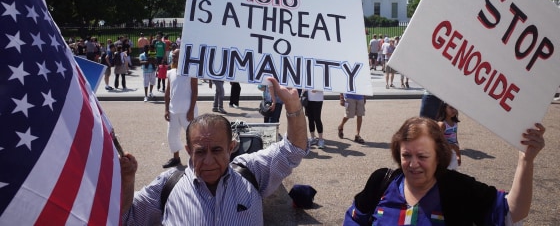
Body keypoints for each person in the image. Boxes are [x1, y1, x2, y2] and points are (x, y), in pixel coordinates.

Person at [119, 77, 309, 225]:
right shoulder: (166, 186)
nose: (208, 161)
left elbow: (293, 150)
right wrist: (127, 180)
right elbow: (126, 218)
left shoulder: (252, 173)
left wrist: (293, 106)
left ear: (231, 147)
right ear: (188, 150)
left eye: (217, 150)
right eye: (200, 152)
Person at [343, 116, 546, 225]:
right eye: (406, 155)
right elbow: (354, 220)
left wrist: (526, 160)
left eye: (422, 156)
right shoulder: (381, 181)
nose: (413, 164)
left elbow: (513, 212)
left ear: (439, 156)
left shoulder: (458, 187)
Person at [162, 49, 198, 169]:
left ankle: (194, 159)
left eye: (176, 56)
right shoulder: (170, 72)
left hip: (187, 110)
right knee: (172, 135)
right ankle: (176, 158)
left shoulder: (191, 71)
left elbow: (195, 91)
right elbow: (167, 92)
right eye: (173, 56)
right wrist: (166, 109)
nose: (174, 58)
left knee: (192, 136)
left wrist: (191, 109)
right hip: (173, 110)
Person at [436, 102, 461, 170]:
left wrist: (458, 154)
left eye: (455, 107)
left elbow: (455, 139)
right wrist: (452, 146)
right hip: (445, 154)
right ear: (444, 108)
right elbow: (438, 142)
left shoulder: (454, 123)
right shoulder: (442, 124)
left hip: (453, 152)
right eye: (451, 107)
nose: (454, 110)